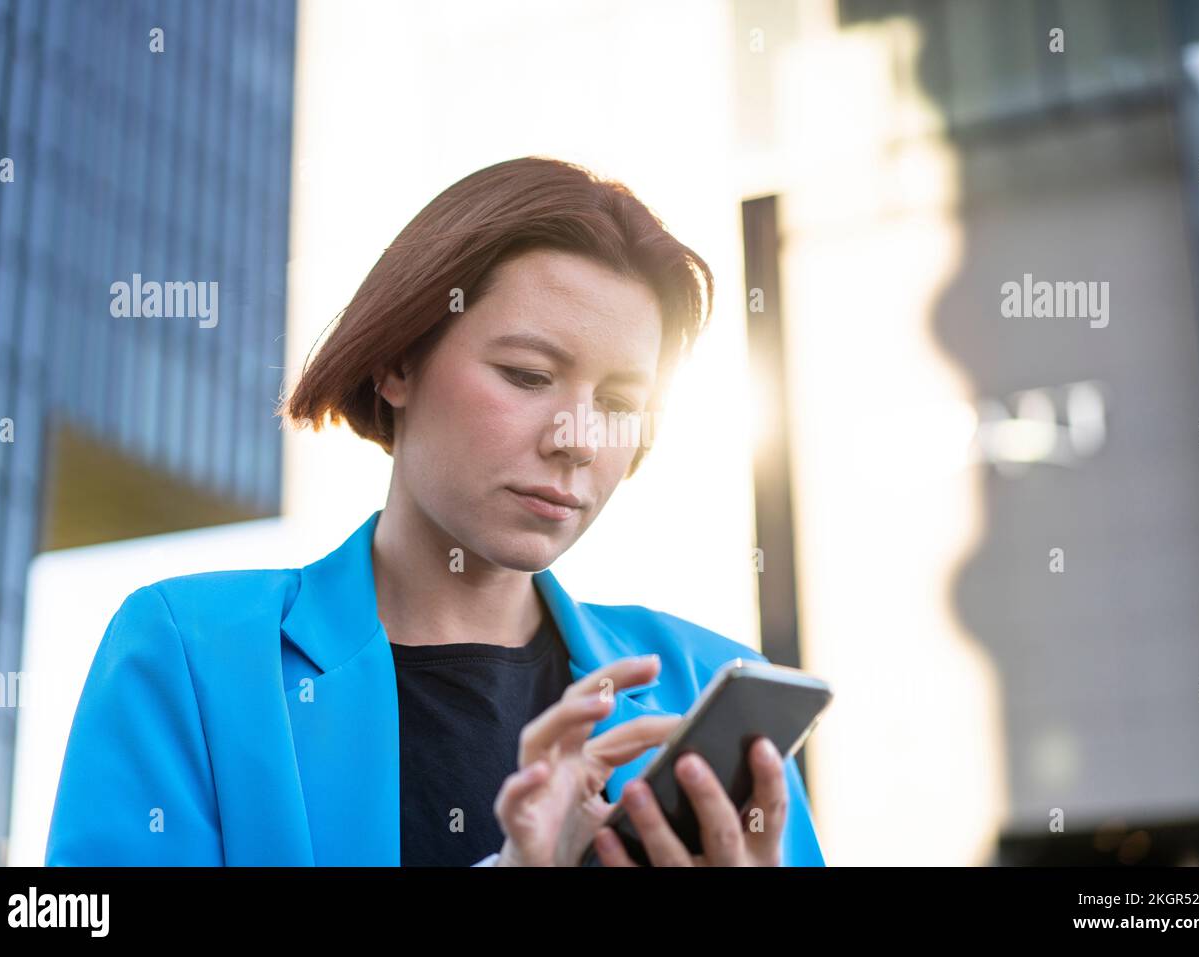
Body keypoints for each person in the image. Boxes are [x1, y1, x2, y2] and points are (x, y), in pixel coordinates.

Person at [44, 156, 827, 866]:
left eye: (620, 402)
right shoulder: (192, 654)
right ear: (396, 364)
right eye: (527, 375)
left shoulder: (702, 687)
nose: (577, 440)